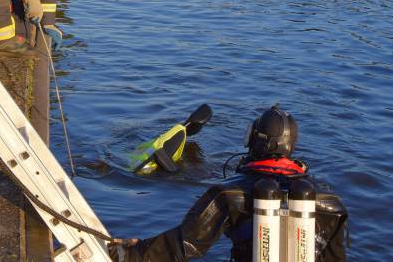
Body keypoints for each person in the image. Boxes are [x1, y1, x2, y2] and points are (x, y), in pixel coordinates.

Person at [108, 106, 349, 262]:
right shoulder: (331, 203)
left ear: (255, 141)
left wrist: (129, 253)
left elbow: (185, 244)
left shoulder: (229, 194)